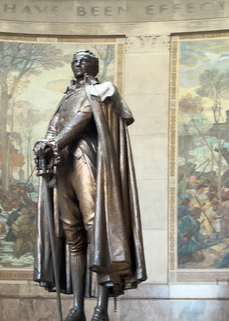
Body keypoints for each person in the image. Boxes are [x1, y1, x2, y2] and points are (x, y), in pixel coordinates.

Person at [33, 50, 146, 321]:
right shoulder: (66, 97)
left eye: (83, 60)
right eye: (74, 60)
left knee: (97, 228)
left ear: (95, 66)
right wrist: (45, 143)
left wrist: (54, 142)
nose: (77, 64)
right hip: (63, 165)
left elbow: (82, 118)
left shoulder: (102, 90)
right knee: (71, 232)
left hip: (87, 156)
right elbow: (55, 127)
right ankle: (76, 307)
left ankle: (100, 309)